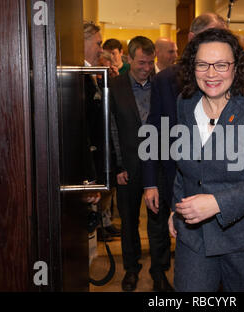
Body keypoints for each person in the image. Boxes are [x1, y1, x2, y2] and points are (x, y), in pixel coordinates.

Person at [169, 28, 244, 292]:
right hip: (195, 234)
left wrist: (216, 203)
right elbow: (184, 163)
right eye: (202, 64)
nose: (211, 74)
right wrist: (176, 207)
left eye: (221, 65)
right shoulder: (185, 102)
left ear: (236, 67)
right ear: (192, 67)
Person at [141, 13, 227, 291]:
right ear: (193, 39)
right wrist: (150, 181)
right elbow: (154, 129)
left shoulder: (233, 78)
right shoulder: (166, 80)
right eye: (213, 35)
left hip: (225, 186)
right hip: (179, 180)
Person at [109, 36, 173, 292]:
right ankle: (131, 269)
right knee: (129, 221)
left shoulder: (164, 84)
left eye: (150, 62)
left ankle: (160, 273)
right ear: (128, 59)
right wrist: (117, 166)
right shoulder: (114, 87)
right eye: (141, 63)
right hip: (128, 167)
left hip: (158, 166)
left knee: (158, 222)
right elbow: (111, 128)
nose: (146, 68)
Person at [83, 21, 119, 244]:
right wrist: (88, 177)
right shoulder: (76, 76)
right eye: (97, 43)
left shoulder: (88, 74)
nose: (100, 49)